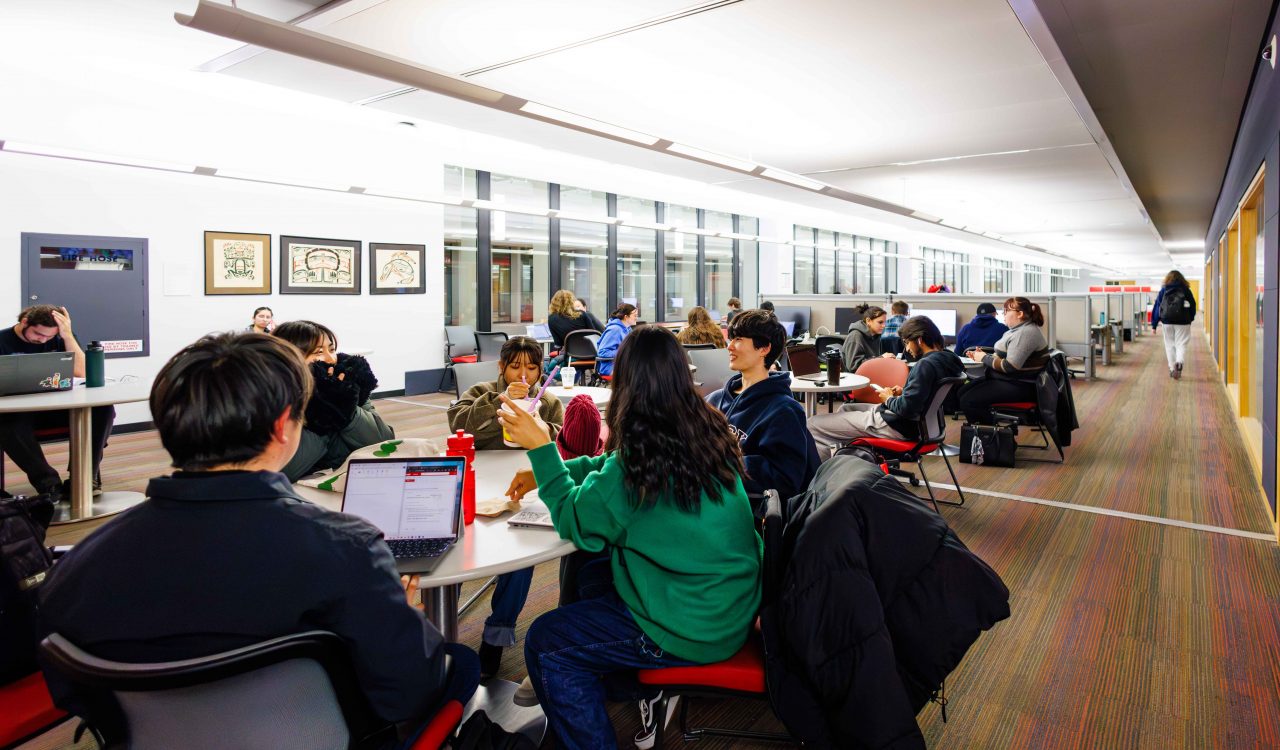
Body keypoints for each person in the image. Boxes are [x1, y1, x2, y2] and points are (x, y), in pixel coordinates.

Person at [36, 332, 478, 747]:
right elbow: (407, 692)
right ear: (284, 426)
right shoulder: (348, 548)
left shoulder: (79, 565)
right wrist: (403, 612)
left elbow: (75, 693)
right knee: (461, 662)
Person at [497, 326, 761, 750]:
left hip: (689, 627)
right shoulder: (702, 431)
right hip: (726, 602)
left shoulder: (636, 466)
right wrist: (562, 470)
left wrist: (543, 451)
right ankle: (620, 682)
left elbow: (573, 520)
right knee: (589, 570)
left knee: (546, 640)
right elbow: (610, 466)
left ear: (625, 382)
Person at [447, 336, 565, 677]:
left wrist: (539, 422)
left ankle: (497, 634)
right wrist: (496, 403)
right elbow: (456, 424)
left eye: (531, 368)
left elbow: (557, 444)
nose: (523, 376)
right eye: (515, 367)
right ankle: (437, 625)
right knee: (454, 541)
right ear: (502, 367)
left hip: (522, 487)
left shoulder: (550, 401)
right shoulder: (483, 391)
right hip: (477, 482)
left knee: (520, 555)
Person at [0, 305, 113, 499]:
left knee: (103, 410)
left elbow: (83, 373)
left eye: (49, 337)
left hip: (55, 410)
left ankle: (84, 477)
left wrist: (67, 335)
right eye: (38, 334)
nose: (42, 340)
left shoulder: (61, 337)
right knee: (6, 423)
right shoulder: (3, 340)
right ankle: (48, 484)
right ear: (24, 321)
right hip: (17, 412)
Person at [809, 316, 964, 457]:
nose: (906, 349)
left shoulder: (925, 365)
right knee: (845, 409)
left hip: (896, 425)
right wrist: (905, 392)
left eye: (906, 342)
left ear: (919, 340)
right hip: (919, 426)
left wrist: (889, 398)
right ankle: (850, 463)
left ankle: (821, 476)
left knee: (812, 425)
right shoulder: (949, 360)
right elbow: (929, 396)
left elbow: (906, 408)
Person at [708, 309, 820, 503]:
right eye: (731, 339)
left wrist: (723, 463)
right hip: (710, 495)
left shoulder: (783, 411)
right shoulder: (714, 400)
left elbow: (785, 478)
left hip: (745, 509)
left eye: (739, 339)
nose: (730, 346)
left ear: (764, 349)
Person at [273, 321, 395, 481]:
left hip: (349, 482)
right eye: (318, 352)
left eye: (332, 349)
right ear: (291, 358)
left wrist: (347, 411)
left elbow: (384, 444)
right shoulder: (276, 397)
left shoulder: (348, 385)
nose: (331, 359)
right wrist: (321, 415)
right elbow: (283, 469)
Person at [957, 297, 1050, 424]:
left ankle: (989, 439)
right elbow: (1006, 355)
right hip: (1010, 380)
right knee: (962, 392)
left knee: (969, 400)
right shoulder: (1017, 330)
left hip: (1021, 385)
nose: (1003, 314)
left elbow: (1010, 366)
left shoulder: (1026, 333)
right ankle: (987, 433)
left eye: (1006, 311)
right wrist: (984, 355)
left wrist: (984, 358)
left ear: (1020, 314)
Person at [1151, 270, 1197, 379]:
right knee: (1181, 344)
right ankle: (1179, 362)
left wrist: (1154, 324)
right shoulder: (1186, 290)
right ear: (1182, 279)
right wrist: (1190, 318)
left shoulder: (1163, 290)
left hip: (1167, 321)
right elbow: (1193, 305)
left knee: (1169, 345)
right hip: (1183, 322)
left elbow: (1157, 307)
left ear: (1167, 279)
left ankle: (1172, 368)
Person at [841, 303, 896, 372]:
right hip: (855, 379)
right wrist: (881, 358)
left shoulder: (875, 335)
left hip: (869, 374)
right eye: (880, 322)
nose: (884, 326)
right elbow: (853, 366)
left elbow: (872, 359)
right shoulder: (855, 336)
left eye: (885, 322)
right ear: (868, 321)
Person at [595, 303, 638, 378]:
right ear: (626, 317)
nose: (636, 318)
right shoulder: (615, 329)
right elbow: (602, 352)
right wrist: (624, 352)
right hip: (610, 367)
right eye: (635, 315)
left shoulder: (627, 329)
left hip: (623, 364)